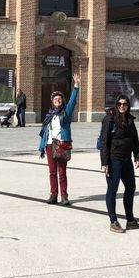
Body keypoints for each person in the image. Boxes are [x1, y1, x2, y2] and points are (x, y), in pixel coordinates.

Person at [100, 95, 139, 233]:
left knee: (131, 187)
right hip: (113, 159)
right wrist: (105, 162)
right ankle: (113, 221)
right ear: (116, 105)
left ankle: (130, 220)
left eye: (124, 104)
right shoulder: (109, 119)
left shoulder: (130, 119)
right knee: (112, 189)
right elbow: (104, 142)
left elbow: (134, 139)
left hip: (126, 159)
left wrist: (137, 156)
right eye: (119, 104)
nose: (122, 106)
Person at [38, 73, 80, 206]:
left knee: (61, 172)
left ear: (62, 101)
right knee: (52, 172)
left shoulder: (65, 113)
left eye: (59, 99)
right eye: (55, 99)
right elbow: (44, 132)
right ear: (52, 101)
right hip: (50, 145)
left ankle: (64, 196)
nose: (57, 101)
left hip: (61, 144)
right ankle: (53, 194)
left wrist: (76, 86)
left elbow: (72, 102)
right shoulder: (49, 115)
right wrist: (41, 148)